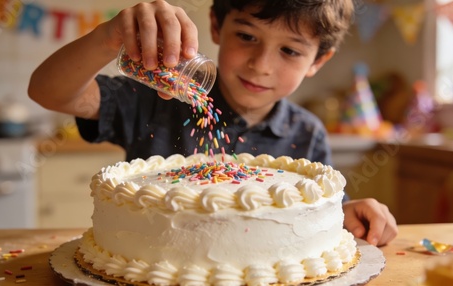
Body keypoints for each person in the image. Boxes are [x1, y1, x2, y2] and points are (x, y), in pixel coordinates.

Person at [28, 0, 397, 246]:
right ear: (217, 27)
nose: (261, 64)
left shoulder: (308, 133)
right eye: (247, 36)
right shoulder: (161, 100)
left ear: (318, 60)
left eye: (290, 50)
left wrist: (351, 213)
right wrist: (106, 39)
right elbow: (50, 93)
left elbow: (318, 215)